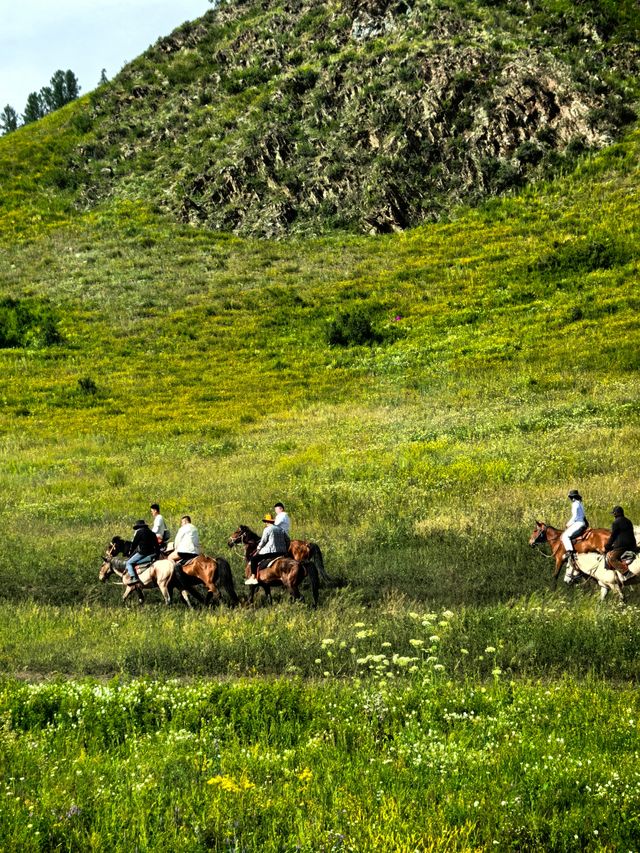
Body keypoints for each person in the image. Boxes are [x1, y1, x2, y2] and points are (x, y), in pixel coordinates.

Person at [245, 513, 289, 585]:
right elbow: (287, 540)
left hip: (271, 552)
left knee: (253, 559)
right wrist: (285, 549)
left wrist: (258, 549)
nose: (265, 523)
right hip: (282, 552)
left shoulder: (267, 529)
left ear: (267, 522)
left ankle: (253, 577)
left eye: (265, 521)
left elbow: (263, 541)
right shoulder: (281, 529)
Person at [125, 519, 160, 585]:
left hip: (143, 553)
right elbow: (157, 545)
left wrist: (130, 553)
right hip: (152, 553)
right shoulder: (152, 533)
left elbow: (134, 544)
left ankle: (133, 578)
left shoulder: (139, 532)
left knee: (129, 562)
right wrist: (157, 555)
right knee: (136, 562)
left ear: (139, 527)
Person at [604, 506, 637, 573]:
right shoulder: (628, 521)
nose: (613, 516)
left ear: (615, 514)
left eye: (613, 514)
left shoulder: (616, 523)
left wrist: (607, 545)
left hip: (622, 547)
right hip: (632, 545)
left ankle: (626, 572)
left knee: (612, 558)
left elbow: (613, 536)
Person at [561, 489, 588, 561]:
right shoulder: (580, 503)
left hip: (578, 523)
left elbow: (575, 516)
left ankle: (570, 551)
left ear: (572, 497)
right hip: (583, 523)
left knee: (565, 536)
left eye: (570, 497)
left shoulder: (575, 504)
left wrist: (568, 523)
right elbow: (583, 515)